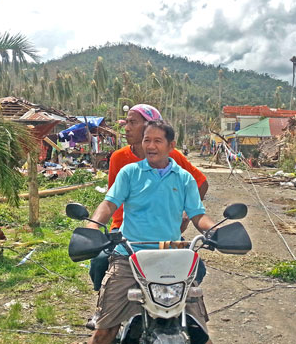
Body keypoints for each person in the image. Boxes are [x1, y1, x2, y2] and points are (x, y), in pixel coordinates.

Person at [86, 120, 215, 344]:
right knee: (104, 332)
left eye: (157, 141)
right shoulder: (130, 173)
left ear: (171, 145)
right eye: (147, 140)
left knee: (200, 335)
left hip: (171, 254)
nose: (151, 145)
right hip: (130, 254)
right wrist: (92, 226)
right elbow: (109, 204)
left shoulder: (184, 178)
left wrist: (216, 230)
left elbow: (197, 215)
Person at [89, 104, 208, 292]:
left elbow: (200, 184)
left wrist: (187, 213)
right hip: (126, 232)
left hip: (164, 236)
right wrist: (96, 226)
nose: (127, 128)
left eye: (133, 122)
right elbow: (111, 201)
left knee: (197, 270)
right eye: (126, 122)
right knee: (100, 263)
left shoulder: (175, 161)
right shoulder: (121, 161)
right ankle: (103, 304)